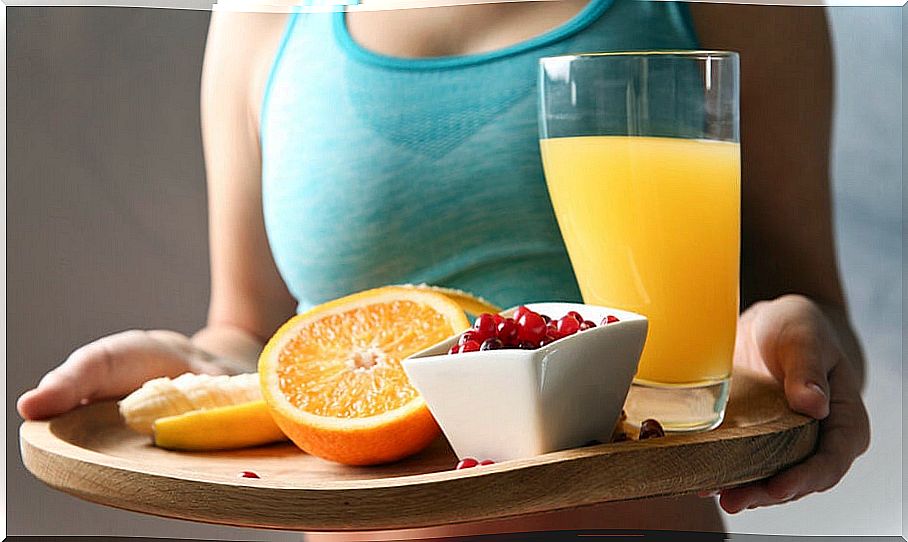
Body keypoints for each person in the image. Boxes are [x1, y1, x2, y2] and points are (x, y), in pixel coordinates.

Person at [17, 0, 869, 536]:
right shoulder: (262, 17)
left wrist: (781, 342)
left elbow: (817, 325)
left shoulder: (749, 7)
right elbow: (252, 333)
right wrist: (198, 370)